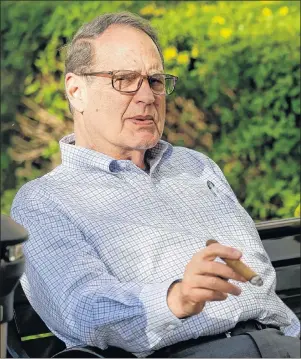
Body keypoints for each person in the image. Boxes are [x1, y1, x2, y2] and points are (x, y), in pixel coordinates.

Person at [11, 11, 300, 358]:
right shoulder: (45, 200)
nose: (147, 96)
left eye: (156, 81)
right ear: (76, 91)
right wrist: (176, 298)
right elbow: (84, 311)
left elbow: (262, 285)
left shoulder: (196, 167)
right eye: (125, 79)